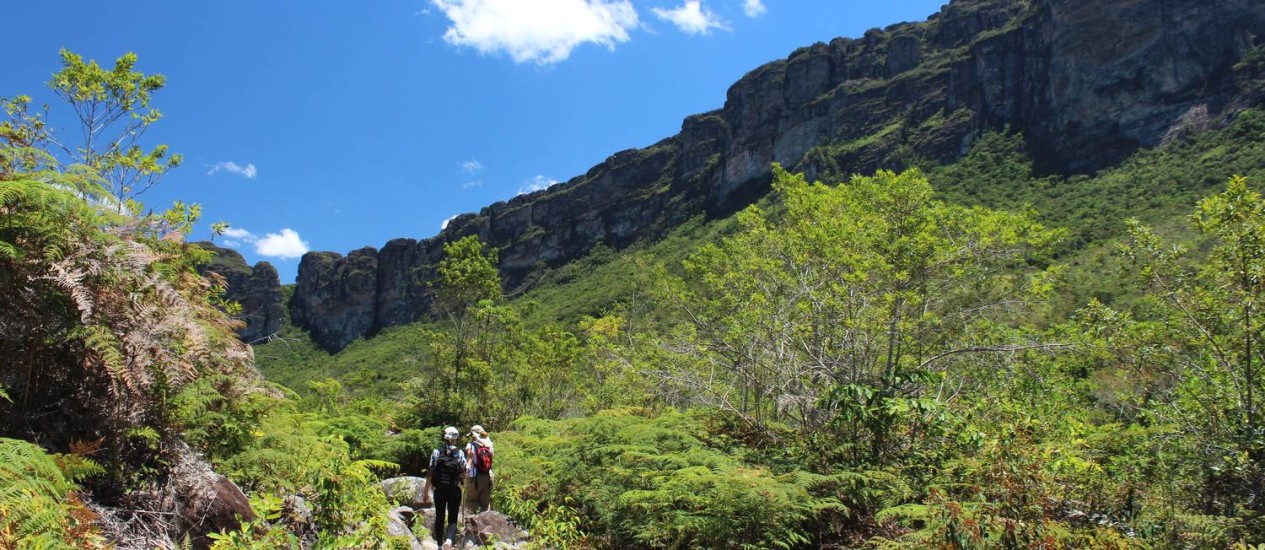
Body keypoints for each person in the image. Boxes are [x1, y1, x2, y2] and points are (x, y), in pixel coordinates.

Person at [422, 426, 467, 550]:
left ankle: (439, 545)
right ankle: (449, 539)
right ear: (456, 438)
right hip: (454, 490)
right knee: (453, 517)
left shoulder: (436, 452)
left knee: (439, 516)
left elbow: (430, 472)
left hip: (439, 490)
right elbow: (464, 472)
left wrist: (426, 491)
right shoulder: (460, 453)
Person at [463, 425, 494, 513]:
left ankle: (476, 520)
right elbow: (492, 457)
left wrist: (466, 473)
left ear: (473, 435)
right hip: (488, 477)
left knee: (469, 501)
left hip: (475, 477)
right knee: (485, 504)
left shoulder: (470, 445)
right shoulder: (489, 445)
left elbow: (469, 460)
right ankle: (486, 521)